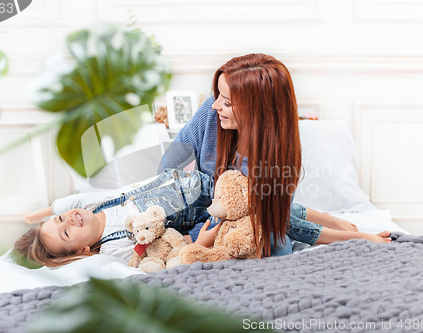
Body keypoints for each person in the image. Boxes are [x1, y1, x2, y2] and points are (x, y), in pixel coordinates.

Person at [158, 53, 391, 256]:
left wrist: (358, 238)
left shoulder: (275, 149)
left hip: (245, 221)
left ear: (256, 112)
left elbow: (275, 219)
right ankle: (324, 217)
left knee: (275, 243)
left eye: (227, 102)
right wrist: (196, 236)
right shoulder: (209, 116)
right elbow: (166, 176)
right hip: (197, 214)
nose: (215, 105)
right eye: (217, 95)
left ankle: (327, 220)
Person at [14, 168, 391, 268]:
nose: (70, 220)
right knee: (268, 212)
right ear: (80, 251)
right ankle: (351, 237)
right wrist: (205, 240)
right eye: (65, 233)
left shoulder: (94, 203)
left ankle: (332, 221)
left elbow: (63, 201)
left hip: (199, 179)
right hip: (207, 207)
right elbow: (168, 254)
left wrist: (35, 217)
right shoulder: (113, 249)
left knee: (268, 201)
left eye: (64, 218)